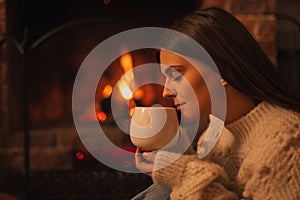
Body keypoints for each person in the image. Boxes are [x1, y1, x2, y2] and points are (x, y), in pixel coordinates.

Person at [132, 7, 300, 200]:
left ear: (222, 68)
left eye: (176, 75)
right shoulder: (216, 136)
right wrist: (172, 162)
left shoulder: (285, 142)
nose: (166, 92)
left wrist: (180, 172)